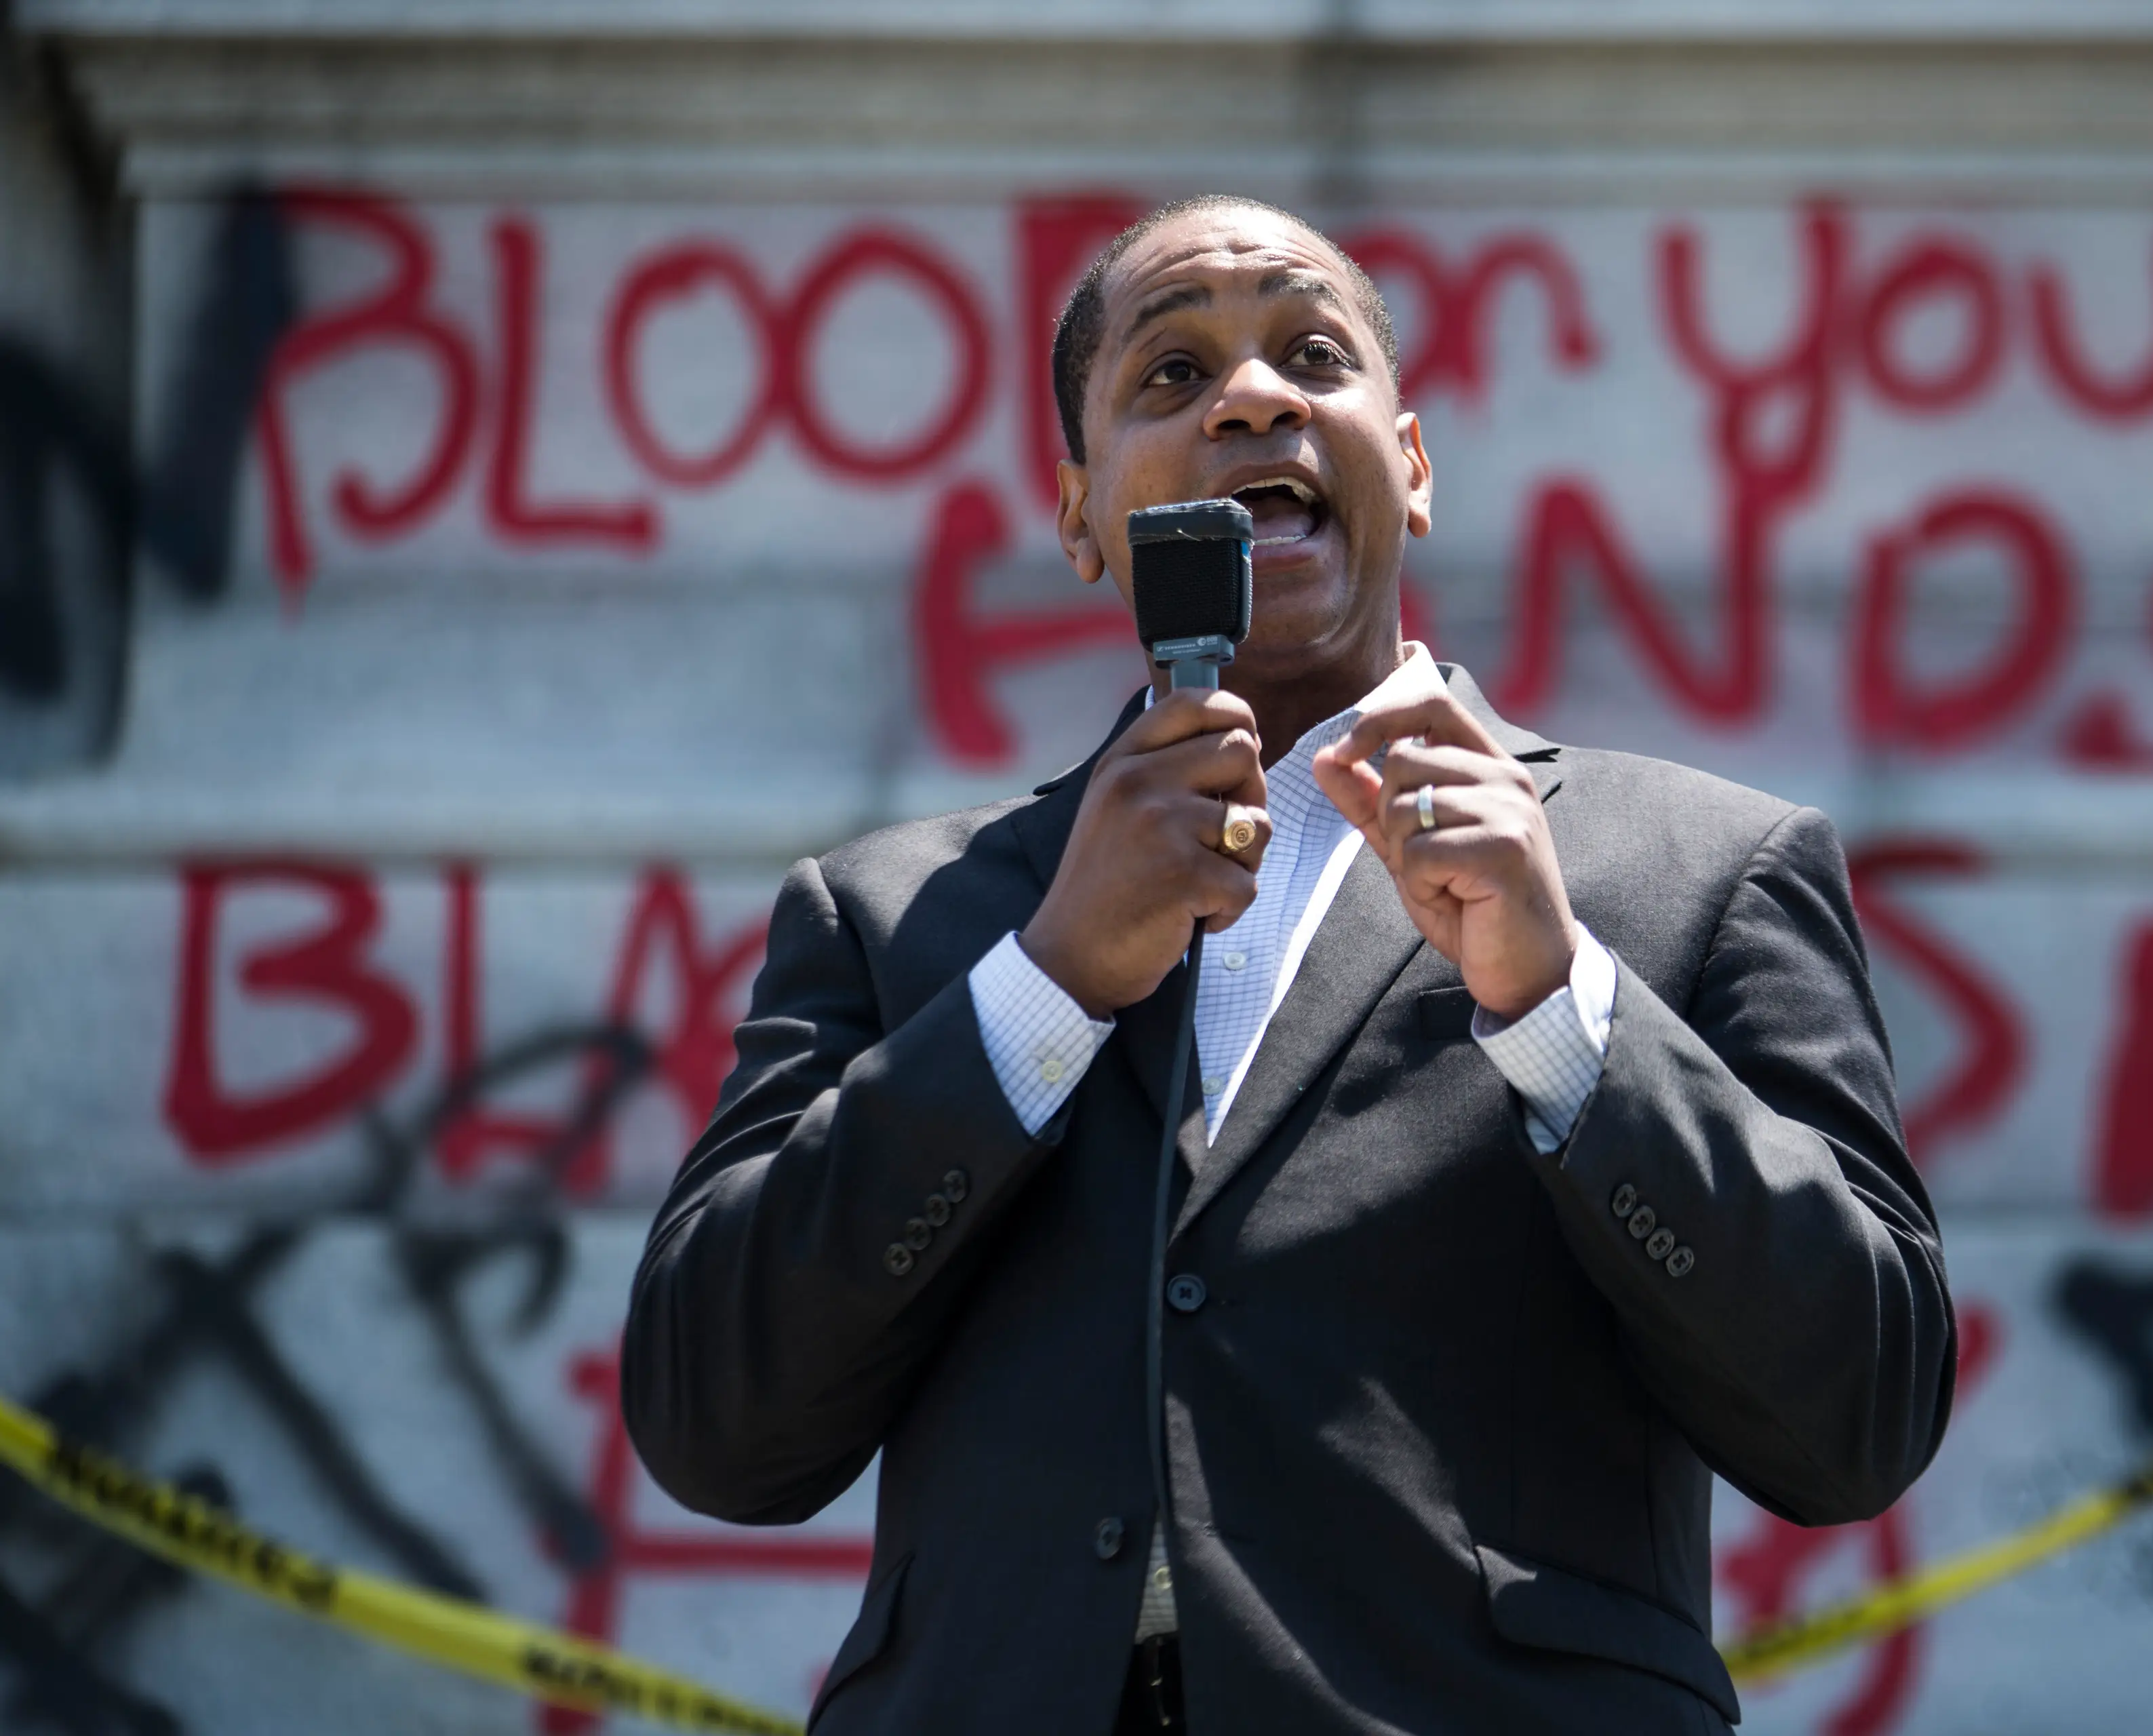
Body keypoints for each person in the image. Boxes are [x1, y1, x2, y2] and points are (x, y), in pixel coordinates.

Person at [622, 194, 1954, 1735]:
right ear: (1080, 517)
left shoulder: (1700, 871)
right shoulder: (892, 915)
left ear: (1415, 466)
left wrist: (1561, 1009)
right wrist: (1045, 987)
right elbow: (714, 1422)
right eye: (1172, 374)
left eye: (1315, 356)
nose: (1254, 398)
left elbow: (1860, 1416)